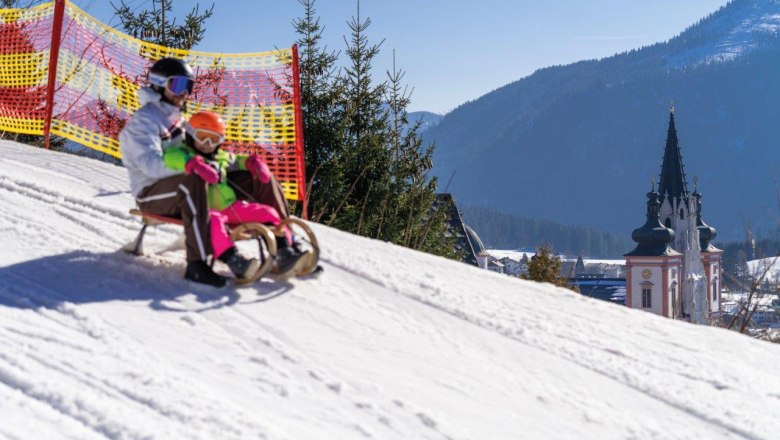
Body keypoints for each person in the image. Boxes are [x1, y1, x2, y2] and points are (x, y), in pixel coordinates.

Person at [163, 110, 310, 280]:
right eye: (202, 137)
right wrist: (192, 164)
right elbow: (170, 156)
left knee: (268, 213)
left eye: (214, 139)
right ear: (190, 134)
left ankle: (284, 252)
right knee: (214, 223)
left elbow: (237, 160)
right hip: (202, 209)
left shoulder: (220, 157)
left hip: (229, 206)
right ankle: (234, 260)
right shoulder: (184, 152)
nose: (207, 144)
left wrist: (252, 162)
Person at [119, 57, 226, 287]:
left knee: (237, 175)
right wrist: (189, 166)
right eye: (177, 85)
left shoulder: (178, 119)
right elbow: (150, 164)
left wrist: (223, 164)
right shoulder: (144, 121)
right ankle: (197, 265)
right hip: (150, 193)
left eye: (188, 86)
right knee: (192, 183)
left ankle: (285, 244)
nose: (184, 93)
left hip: (176, 187)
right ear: (159, 84)